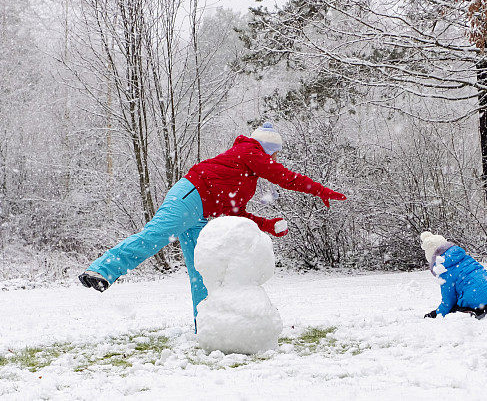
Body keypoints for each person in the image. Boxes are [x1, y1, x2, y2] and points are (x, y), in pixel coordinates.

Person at [78, 123, 346, 321]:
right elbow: (284, 177)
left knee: (203, 272)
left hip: (204, 215)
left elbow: (235, 212)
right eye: (273, 154)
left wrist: (266, 224)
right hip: (190, 195)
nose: (274, 160)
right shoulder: (249, 151)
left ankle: (206, 327)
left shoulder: (246, 176)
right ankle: (102, 270)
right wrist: (319, 190)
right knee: (156, 235)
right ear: (268, 149)